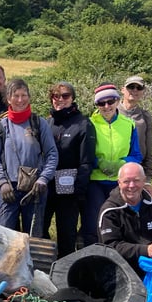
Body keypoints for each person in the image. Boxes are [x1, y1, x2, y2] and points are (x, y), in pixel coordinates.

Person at [0, 78, 58, 235]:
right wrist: (2, 183)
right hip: (8, 189)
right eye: (16, 96)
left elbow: (52, 154)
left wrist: (43, 179)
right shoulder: (1, 126)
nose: (20, 100)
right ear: (8, 99)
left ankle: (30, 260)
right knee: (4, 237)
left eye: (24, 95)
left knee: (32, 238)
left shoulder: (39, 123)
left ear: (29, 97)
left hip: (35, 190)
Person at [79, 83, 142, 247]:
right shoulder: (88, 124)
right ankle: (89, 258)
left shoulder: (129, 124)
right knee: (93, 222)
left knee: (121, 223)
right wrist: (98, 162)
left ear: (117, 100)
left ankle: (116, 258)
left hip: (120, 183)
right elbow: (83, 153)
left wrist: (122, 164)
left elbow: (136, 155)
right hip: (95, 181)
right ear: (96, 105)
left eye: (110, 101)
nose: (106, 106)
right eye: (101, 103)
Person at [42, 82, 96, 257]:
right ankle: (44, 266)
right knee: (40, 230)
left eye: (65, 96)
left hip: (69, 190)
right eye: (55, 96)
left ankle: (64, 273)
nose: (60, 100)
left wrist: (78, 191)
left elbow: (86, 161)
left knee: (66, 235)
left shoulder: (83, 124)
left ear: (72, 98)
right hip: (46, 187)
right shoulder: (47, 122)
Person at [98, 162, 152, 278]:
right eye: (126, 181)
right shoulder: (109, 211)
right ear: (119, 183)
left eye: (136, 180)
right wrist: (145, 251)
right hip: (120, 273)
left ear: (144, 181)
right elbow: (111, 247)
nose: (131, 185)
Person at [118, 75, 152, 190]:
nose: (134, 90)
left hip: (136, 172)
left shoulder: (145, 116)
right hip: (111, 172)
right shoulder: (110, 111)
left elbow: (148, 149)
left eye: (138, 88)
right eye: (131, 87)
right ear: (123, 89)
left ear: (143, 92)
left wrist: (147, 178)